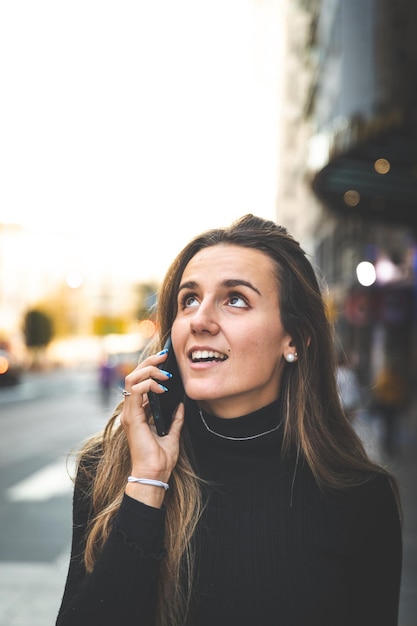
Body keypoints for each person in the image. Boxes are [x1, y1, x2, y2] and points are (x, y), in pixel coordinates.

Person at [56, 214, 402, 626]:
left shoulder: (360, 499)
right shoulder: (110, 471)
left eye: (235, 298)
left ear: (294, 339)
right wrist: (147, 483)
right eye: (189, 300)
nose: (200, 320)